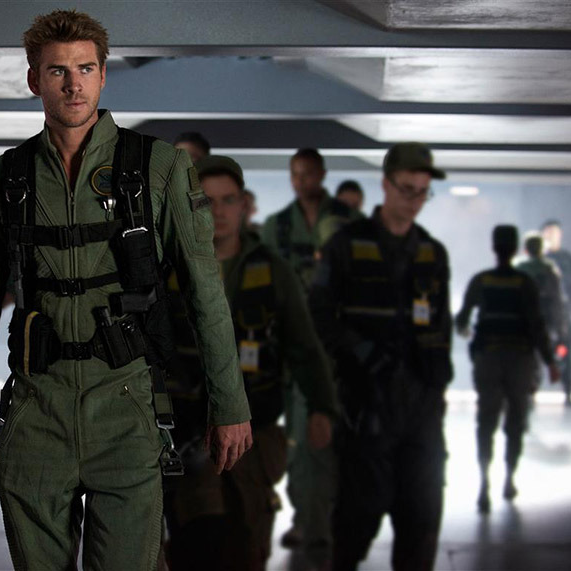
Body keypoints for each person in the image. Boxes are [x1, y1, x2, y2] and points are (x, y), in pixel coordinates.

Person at [0, 10, 252, 570]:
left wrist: (230, 404)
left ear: (103, 75)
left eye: (85, 69)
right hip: (35, 412)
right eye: (57, 71)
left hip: (126, 410)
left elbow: (204, 292)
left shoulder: (159, 168)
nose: (73, 84)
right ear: (34, 80)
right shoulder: (4, 178)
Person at [162, 156, 337, 571]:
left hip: (255, 433)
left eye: (228, 200)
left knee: (247, 538)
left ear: (244, 205)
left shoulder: (273, 272)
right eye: (207, 202)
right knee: (197, 537)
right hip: (186, 431)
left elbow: (303, 346)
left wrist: (321, 407)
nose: (219, 212)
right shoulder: (166, 269)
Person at [309, 142, 453, 571]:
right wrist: (360, 352)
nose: (415, 201)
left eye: (423, 192)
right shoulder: (346, 246)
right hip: (365, 404)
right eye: (407, 189)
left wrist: (439, 381)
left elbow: (441, 324)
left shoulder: (432, 252)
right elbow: (319, 314)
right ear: (386, 185)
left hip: (422, 408)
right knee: (355, 522)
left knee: (421, 522)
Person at [260, 148, 360, 560]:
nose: (301, 181)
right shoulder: (277, 225)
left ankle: (318, 524)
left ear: (321, 174)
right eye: (295, 174)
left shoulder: (350, 223)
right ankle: (310, 520)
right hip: (288, 347)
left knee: (322, 439)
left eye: (307, 174)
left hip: (334, 347)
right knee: (297, 441)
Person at [454, 225, 561, 513]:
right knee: (515, 421)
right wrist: (550, 362)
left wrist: (467, 334)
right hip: (519, 360)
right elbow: (537, 325)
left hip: (488, 359)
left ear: (494, 247)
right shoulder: (524, 283)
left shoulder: (481, 280)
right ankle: (509, 479)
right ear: (515, 249)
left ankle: (483, 484)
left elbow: (461, 320)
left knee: (486, 421)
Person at [517, 233, 568, 383]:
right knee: (543, 349)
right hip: (545, 318)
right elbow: (556, 300)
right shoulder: (549, 269)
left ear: (525, 249)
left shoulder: (519, 268)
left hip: (522, 319)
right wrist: (561, 327)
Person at [541, 219, 571, 405]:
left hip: (563, 313)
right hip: (543, 312)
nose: (552, 237)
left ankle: (568, 392)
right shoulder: (538, 259)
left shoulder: (567, 259)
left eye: (555, 233)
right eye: (548, 233)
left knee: (567, 348)